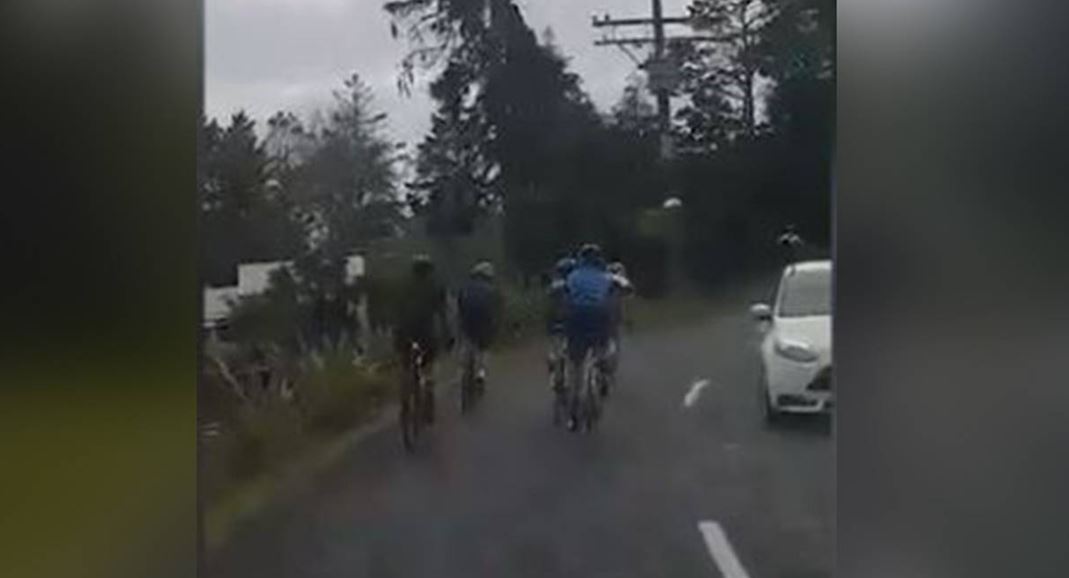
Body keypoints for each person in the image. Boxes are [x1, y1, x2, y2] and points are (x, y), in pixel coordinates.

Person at [392, 254, 451, 424]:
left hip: (404, 332)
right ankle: (428, 400)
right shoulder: (435, 287)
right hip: (425, 333)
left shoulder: (402, 287)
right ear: (429, 271)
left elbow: (395, 311)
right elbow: (442, 314)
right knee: (428, 367)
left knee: (405, 366)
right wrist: (447, 335)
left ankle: (404, 399)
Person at [562, 243, 614, 429]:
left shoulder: (573, 276)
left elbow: (565, 295)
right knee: (603, 346)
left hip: (576, 316)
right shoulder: (606, 276)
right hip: (599, 316)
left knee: (576, 364)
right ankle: (602, 369)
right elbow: (613, 295)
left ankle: (573, 410)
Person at [456, 260, 500, 389]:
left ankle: (463, 367)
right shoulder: (491, 290)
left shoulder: (465, 287)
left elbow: (460, 306)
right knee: (484, 347)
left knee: (467, 342)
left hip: (467, 321)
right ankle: (481, 372)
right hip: (484, 322)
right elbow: (495, 309)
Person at [546, 256, 576, 392]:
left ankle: (553, 365)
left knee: (554, 347)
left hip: (555, 322)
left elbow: (548, 304)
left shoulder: (555, 285)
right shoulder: (576, 285)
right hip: (572, 322)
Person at [604, 261, 634, 390]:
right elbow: (625, 307)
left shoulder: (603, 281)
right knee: (613, 343)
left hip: (599, 316)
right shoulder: (622, 286)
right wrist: (627, 321)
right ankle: (607, 370)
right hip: (612, 319)